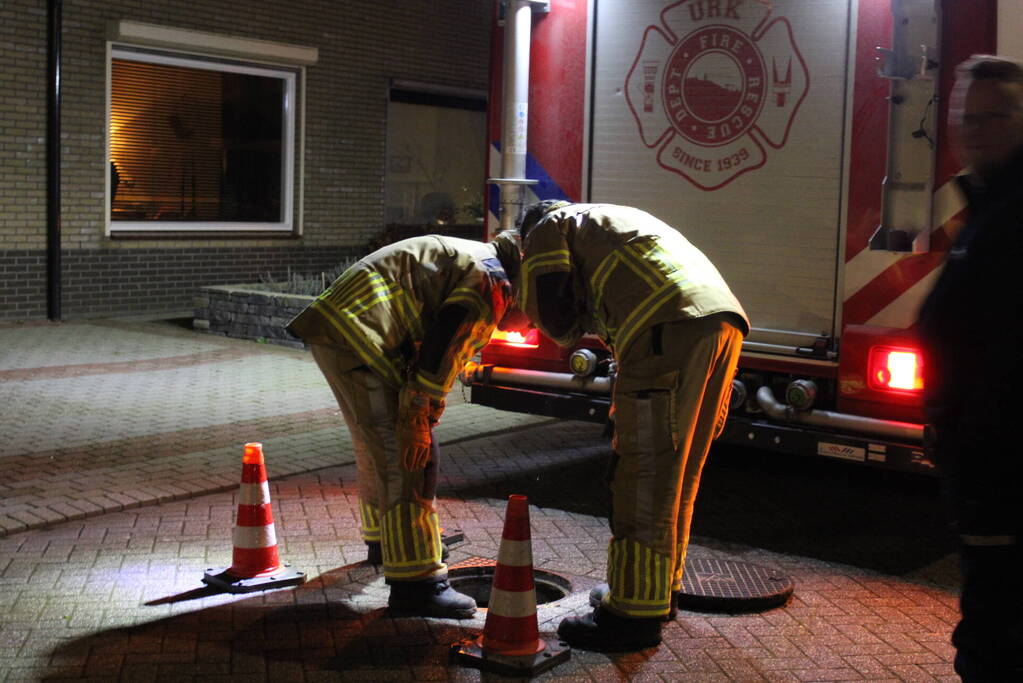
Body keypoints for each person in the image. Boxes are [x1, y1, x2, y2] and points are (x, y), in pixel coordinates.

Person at [516, 200, 749, 651]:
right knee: (678, 470)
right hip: (721, 322)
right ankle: (658, 591)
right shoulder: (603, 219)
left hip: (666, 325)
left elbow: (558, 320)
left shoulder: (547, 227)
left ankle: (631, 617)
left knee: (643, 472)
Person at [287, 231, 523, 618]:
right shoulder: (492, 280)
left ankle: (387, 544)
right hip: (365, 336)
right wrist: (418, 414)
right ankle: (417, 582)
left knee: (375, 444)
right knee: (409, 457)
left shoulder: (477, 258)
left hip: (343, 331)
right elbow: (443, 351)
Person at [916, 55, 1023, 680]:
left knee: (994, 630)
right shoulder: (990, 203)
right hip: (983, 459)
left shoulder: (1013, 211)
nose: (976, 128)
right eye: (966, 117)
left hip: (1005, 469)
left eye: (995, 115)